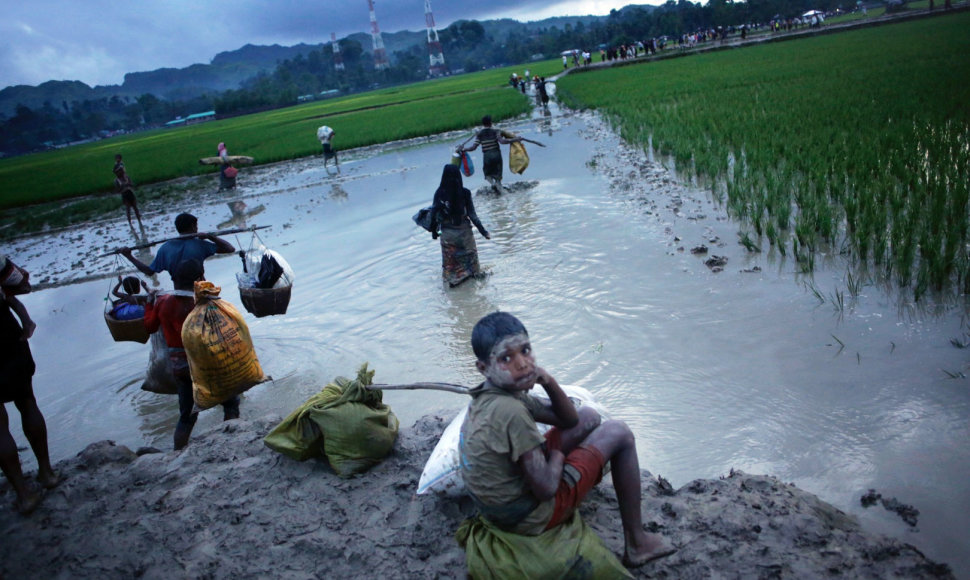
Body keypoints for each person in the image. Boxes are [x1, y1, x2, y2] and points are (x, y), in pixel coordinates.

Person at [459, 312, 677, 568]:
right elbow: (546, 489)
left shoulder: (496, 394)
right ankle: (637, 543)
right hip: (530, 516)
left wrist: (547, 380)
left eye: (525, 351)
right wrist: (559, 455)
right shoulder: (511, 413)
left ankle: (634, 537)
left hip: (504, 504)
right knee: (620, 433)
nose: (522, 364)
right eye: (506, 358)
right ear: (483, 368)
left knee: (589, 415)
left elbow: (570, 419)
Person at [143, 259, 240, 450]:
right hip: (210, 364)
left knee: (187, 417)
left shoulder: (163, 303)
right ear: (201, 277)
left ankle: (177, 453)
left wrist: (148, 303)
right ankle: (232, 443)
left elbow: (149, 327)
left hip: (181, 368)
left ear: (173, 278)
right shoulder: (207, 302)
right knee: (230, 405)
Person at [0, 287, 59, 515]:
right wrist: (25, 318)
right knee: (26, 400)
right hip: (5, 333)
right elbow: (20, 284)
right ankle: (47, 474)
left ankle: (23, 496)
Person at [119, 212, 235, 282]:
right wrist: (211, 237)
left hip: (179, 289)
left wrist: (129, 256)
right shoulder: (200, 244)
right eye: (196, 226)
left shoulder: (166, 247)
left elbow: (149, 272)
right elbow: (230, 248)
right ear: (193, 227)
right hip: (200, 288)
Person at [428, 164, 490, 287]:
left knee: (450, 262)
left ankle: (452, 281)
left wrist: (434, 233)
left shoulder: (439, 193)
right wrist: (484, 232)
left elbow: (433, 214)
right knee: (471, 260)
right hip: (464, 234)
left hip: (448, 235)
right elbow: (472, 215)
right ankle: (473, 276)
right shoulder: (465, 193)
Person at [461, 115, 522, 193]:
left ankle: (493, 184)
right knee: (498, 174)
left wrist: (464, 149)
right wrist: (515, 139)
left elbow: (473, 147)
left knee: (487, 174)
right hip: (496, 154)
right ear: (490, 123)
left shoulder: (480, 134)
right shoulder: (496, 131)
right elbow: (502, 141)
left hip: (487, 156)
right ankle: (498, 185)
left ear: (483, 124)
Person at [113, 154, 143, 229]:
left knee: (135, 208)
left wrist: (129, 184)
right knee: (128, 209)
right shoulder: (116, 180)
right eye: (119, 171)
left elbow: (132, 184)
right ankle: (130, 223)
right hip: (124, 194)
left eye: (121, 170)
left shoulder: (127, 177)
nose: (120, 172)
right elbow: (117, 190)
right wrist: (123, 187)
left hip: (130, 193)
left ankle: (139, 221)